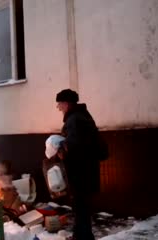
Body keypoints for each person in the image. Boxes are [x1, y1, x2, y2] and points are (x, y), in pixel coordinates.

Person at [56, 89, 100, 240]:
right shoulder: (83, 116)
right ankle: (82, 236)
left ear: (67, 104)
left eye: (60, 104)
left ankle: (82, 237)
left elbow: (74, 147)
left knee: (80, 207)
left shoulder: (74, 120)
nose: (58, 107)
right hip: (88, 170)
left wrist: (62, 150)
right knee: (82, 207)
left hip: (80, 172)